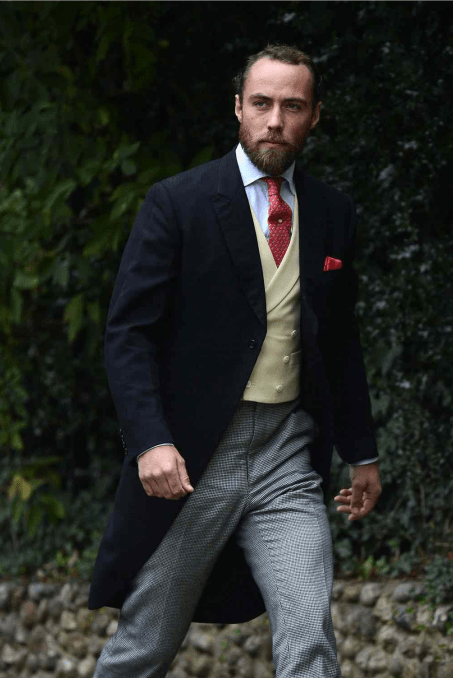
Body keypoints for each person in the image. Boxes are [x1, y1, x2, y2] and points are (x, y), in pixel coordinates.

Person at [89, 44, 382, 678]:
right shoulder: (178, 202)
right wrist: (150, 441)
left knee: (309, 630)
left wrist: (362, 452)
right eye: (262, 103)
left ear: (314, 115)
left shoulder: (333, 212)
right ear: (239, 109)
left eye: (292, 106)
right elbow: (128, 333)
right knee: (145, 645)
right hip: (196, 458)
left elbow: (339, 340)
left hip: (287, 453)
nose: (275, 120)